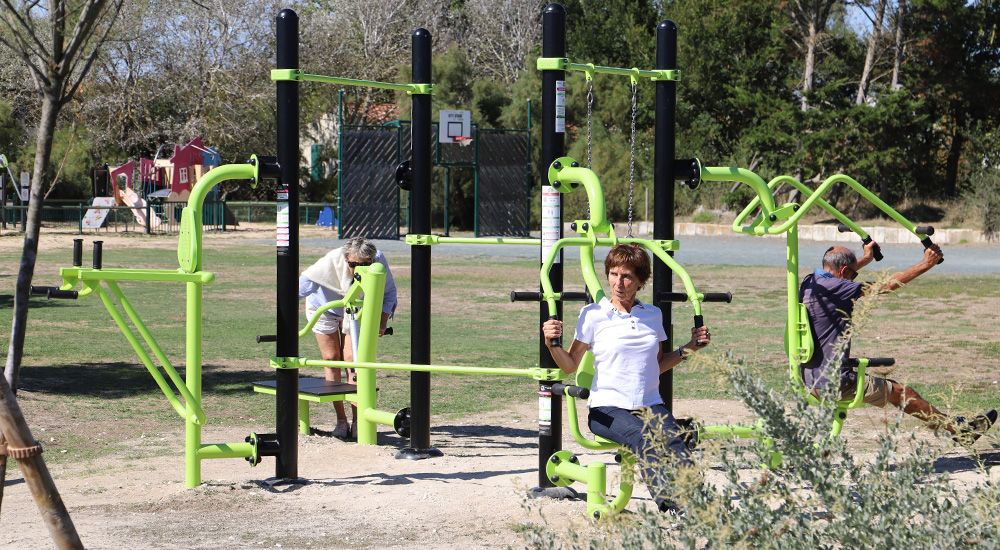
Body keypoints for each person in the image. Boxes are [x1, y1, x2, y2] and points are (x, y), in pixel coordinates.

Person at [542, 243, 710, 512]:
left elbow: (658, 364)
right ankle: (675, 506)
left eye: (627, 276)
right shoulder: (593, 315)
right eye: (613, 274)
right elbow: (570, 365)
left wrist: (689, 347)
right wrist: (552, 345)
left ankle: (700, 502)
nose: (618, 282)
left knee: (675, 439)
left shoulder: (653, 315)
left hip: (649, 405)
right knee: (645, 437)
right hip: (607, 409)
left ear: (641, 281)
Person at [800, 242, 996, 444]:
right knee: (903, 393)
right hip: (834, 383)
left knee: (897, 389)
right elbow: (887, 286)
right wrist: (926, 264)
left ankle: (956, 429)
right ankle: (960, 432)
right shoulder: (838, 286)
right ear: (842, 270)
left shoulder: (811, 282)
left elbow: (842, 275)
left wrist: (866, 259)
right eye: (852, 275)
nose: (852, 279)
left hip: (811, 377)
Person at [299, 237, 397, 439]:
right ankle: (341, 421)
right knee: (331, 359)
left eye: (364, 265)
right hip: (324, 307)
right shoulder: (332, 261)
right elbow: (300, 287)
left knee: (353, 361)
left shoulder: (379, 262)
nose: (357, 268)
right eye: (353, 264)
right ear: (346, 260)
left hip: (357, 308)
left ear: (372, 260)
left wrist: (382, 321)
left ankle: (358, 420)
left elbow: (388, 293)